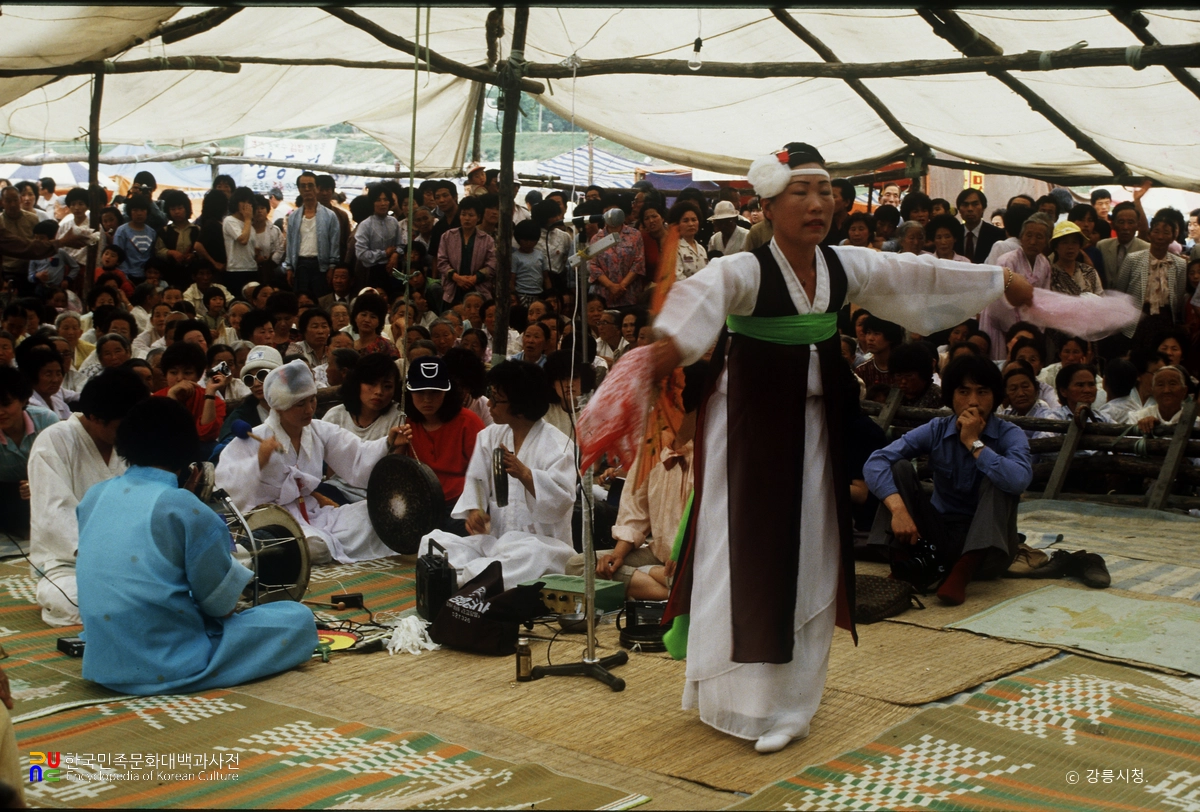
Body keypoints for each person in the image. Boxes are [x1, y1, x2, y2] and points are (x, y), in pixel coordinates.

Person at [644, 142, 1031, 754]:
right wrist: (668, 343)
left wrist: (996, 280)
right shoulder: (745, 269)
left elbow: (917, 273)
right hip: (747, 435)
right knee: (738, 553)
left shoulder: (842, 266)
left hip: (818, 433)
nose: (818, 204)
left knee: (813, 555)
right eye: (801, 191)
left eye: (825, 191)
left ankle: (793, 704)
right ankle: (728, 696)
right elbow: (700, 299)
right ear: (767, 205)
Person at [75, 396, 317, 695]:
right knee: (297, 620)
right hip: (167, 660)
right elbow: (221, 607)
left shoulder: (93, 496)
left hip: (103, 661)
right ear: (185, 450)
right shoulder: (184, 507)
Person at [865, 355, 1033, 605]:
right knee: (899, 467)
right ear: (951, 396)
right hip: (940, 537)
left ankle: (963, 572)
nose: (973, 402)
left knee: (1001, 477)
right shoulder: (937, 428)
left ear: (995, 397)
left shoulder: (1011, 434)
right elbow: (876, 461)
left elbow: (1020, 480)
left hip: (988, 550)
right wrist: (899, 510)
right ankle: (905, 568)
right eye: (963, 392)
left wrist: (973, 443)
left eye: (982, 392)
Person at [215, 360, 407, 563]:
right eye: (300, 404)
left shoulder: (318, 430)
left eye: (312, 401)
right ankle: (263, 550)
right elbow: (226, 484)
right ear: (279, 407)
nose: (309, 409)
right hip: (271, 518)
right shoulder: (256, 437)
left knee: (373, 514)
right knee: (316, 547)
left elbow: (357, 453)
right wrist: (258, 462)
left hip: (312, 512)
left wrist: (387, 442)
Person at [418, 360, 576, 591]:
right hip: (499, 542)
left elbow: (561, 502)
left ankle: (466, 579)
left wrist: (526, 474)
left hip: (542, 547)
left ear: (520, 406)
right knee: (432, 542)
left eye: (496, 399)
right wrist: (476, 510)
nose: (489, 404)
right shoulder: (489, 436)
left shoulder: (558, 446)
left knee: (528, 556)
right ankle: (477, 577)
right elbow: (476, 480)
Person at [567, 360, 707, 600]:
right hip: (659, 557)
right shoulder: (652, 443)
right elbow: (636, 509)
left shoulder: (710, 449)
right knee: (579, 565)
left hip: (698, 559)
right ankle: (666, 593)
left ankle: (665, 588)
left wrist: (684, 556)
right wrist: (619, 554)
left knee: (692, 580)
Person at [27, 368, 149, 626]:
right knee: (77, 601)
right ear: (95, 417)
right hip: (69, 565)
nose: (131, 433)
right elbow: (54, 514)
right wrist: (108, 560)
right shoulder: (54, 440)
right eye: (122, 426)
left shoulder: (133, 443)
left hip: (133, 562)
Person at [396, 356, 484, 526]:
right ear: (409, 392)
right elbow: (397, 471)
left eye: (435, 392)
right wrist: (397, 446)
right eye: (420, 392)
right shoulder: (405, 423)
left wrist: (475, 509)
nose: (427, 399)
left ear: (447, 392)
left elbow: (482, 474)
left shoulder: (469, 422)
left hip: (459, 506)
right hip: (418, 504)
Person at [320, 353, 403, 502]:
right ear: (357, 383)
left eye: (387, 386)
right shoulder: (335, 416)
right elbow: (330, 468)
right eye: (371, 383)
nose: (379, 391)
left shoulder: (398, 419)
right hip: (336, 490)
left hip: (378, 496)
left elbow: (394, 472)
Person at [978, 212, 1054, 360]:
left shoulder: (1044, 263)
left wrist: (1034, 331)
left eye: (1039, 237)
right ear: (1021, 237)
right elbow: (998, 300)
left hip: (1030, 326)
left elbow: (1044, 299)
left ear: (1047, 241)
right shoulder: (1007, 260)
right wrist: (1016, 331)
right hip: (1001, 325)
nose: (1033, 241)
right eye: (1029, 235)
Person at [0, 365, 59, 538]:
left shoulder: (47, 420)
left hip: (46, 494)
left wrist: (38, 484)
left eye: (6, 404)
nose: (0, 412)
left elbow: (64, 466)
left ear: (24, 399)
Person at [284, 172, 340, 297]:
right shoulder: (293, 217)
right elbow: (290, 243)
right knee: (301, 301)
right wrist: (289, 268)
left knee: (321, 300)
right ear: (299, 189)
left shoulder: (330, 216)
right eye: (303, 186)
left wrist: (332, 267)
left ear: (317, 188)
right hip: (300, 265)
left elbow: (334, 244)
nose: (307, 189)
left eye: (310, 185)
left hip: (321, 266)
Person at [436, 196, 496, 305]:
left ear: (478, 217)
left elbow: (492, 265)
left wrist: (474, 278)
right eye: (463, 214)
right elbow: (441, 262)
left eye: (471, 215)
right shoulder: (447, 236)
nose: (467, 218)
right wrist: (457, 278)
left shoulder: (487, 240)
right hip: (453, 289)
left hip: (479, 289)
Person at [589, 195, 645, 307]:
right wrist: (611, 286)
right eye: (607, 211)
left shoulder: (635, 235)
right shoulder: (596, 238)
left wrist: (621, 287)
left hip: (630, 293)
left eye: (614, 211)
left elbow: (638, 263)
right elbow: (593, 266)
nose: (610, 215)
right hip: (604, 295)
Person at [1134, 365, 1195, 432]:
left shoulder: (1196, 422)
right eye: (1160, 385)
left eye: (1172, 384)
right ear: (1153, 391)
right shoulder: (1138, 417)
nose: (1166, 390)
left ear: (1184, 390)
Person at [955, 188, 1005, 263]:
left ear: (983, 208)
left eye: (975, 204)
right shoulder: (954, 233)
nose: (970, 209)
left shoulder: (997, 235)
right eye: (965, 205)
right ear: (959, 210)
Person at [512, 220, 550, 306]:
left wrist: (549, 293)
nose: (528, 243)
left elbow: (546, 277)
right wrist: (514, 295)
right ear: (518, 239)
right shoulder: (515, 257)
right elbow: (512, 279)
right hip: (521, 294)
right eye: (525, 240)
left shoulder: (540, 255)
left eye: (532, 240)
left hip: (538, 294)